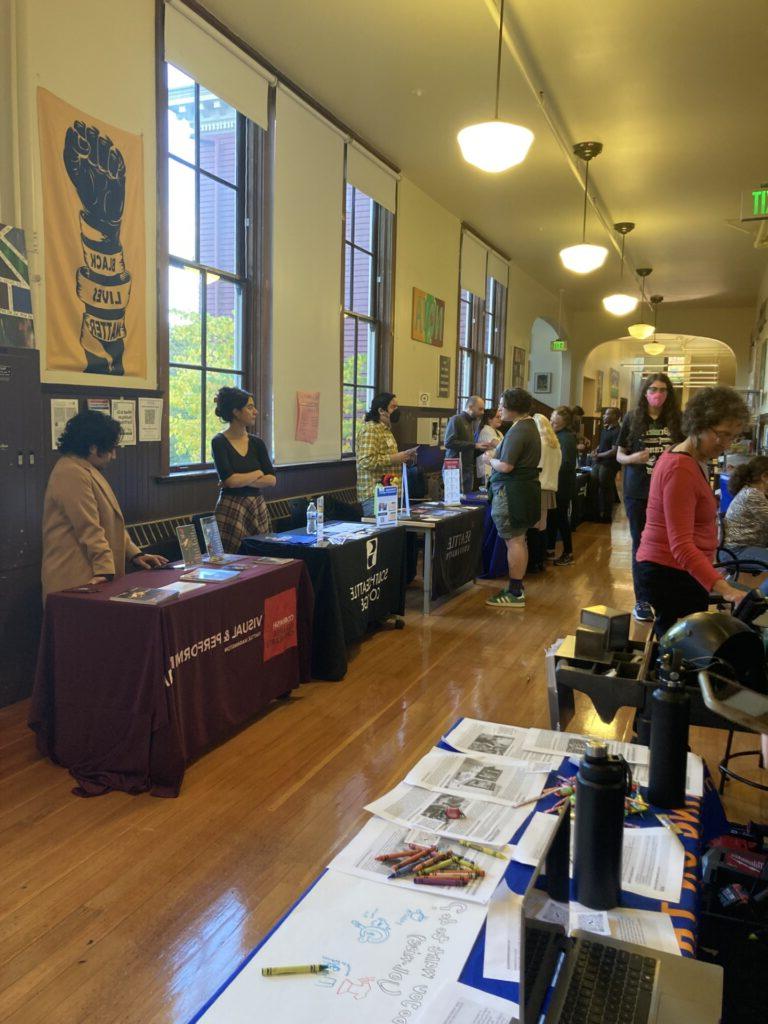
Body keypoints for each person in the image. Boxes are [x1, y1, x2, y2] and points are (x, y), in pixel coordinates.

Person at [635, 386, 748, 636]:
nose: (726, 443)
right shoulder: (680, 469)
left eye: (733, 437)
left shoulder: (689, 459)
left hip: (676, 570)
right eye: (721, 434)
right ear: (699, 424)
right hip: (669, 571)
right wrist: (726, 590)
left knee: (674, 651)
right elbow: (681, 545)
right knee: (679, 653)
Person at [41, 410, 166, 599]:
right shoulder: (70, 473)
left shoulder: (86, 469)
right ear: (93, 447)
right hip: (77, 577)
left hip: (92, 572)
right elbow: (89, 528)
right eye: (111, 448)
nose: (113, 455)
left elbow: (111, 524)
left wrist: (135, 554)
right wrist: (106, 571)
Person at [617, 373, 683, 622]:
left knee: (671, 542)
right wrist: (635, 458)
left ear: (669, 393)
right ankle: (642, 600)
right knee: (641, 544)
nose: (658, 393)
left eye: (663, 389)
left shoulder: (678, 419)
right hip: (639, 492)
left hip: (672, 491)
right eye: (653, 389)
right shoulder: (633, 418)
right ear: (645, 392)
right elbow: (620, 456)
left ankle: (665, 594)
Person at [485, 388, 541, 609]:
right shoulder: (526, 425)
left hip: (512, 492)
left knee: (514, 540)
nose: (498, 409)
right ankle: (517, 587)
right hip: (522, 490)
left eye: (502, 405)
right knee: (520, 539)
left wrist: (490, 460)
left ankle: (515, 592)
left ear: (513, 407)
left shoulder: (519, 430)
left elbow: (506, 466)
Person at [211, 387, 277, 552]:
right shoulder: (219, 441)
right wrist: (257, 473)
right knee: (229, 558)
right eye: (249, 407)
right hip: (231, 507)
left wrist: (240, 480)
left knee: (261, 557)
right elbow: (231, 481)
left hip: (256, 505)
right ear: (236, 412)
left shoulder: (257, 443)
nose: (255, 411)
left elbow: (272, 480)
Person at [355, 392, 417, 515]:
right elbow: (365, 461)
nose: (397, 410)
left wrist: (404, 456)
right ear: (381, 410)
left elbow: (387, 456)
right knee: (381, 533)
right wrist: (395, 458)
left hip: (389, 492)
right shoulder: (370, 430)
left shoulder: (385, 430)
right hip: (375, 494)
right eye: (393, 407)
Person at [527, 412, 562, 573]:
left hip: (537, 487)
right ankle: (541, 560)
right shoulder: (555, 444)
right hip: (550, 488)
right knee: (543, 525)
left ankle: (533, 562)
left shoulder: (538, 443)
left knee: (533, 526)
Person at [723, 456, 768, 572]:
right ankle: (758, 591)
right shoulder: (753, 494)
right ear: (764, 476)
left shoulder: (750, 491)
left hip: (739, 548)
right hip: (737, 551)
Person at [546, 406, 578, 565]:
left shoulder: (565, 438)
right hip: (556, 484)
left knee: (561, 519)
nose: (552, 425)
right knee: (552, 518)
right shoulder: (558, 435)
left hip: (562, 485)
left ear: (564, 424)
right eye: (551, 421)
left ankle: (568, 552)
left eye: (556, 423)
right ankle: (550, 549)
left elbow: (565, 464)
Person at [445, 395, 495, 494]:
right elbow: (449, 442)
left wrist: (481, 447)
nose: (482, 412)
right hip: (455, 468)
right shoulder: (456, 419)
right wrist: (474, 445)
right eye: (480, 409)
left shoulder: (471, 423)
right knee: (457, 501)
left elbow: (469, 446)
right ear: (471, 407)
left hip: (467, 469)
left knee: (466, 499)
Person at [593, 407, 621, 522]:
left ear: (615, 417)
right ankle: (595, 513)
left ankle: (607, 516)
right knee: (594, 485)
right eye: (604, 414)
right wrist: (596, 450)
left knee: (606, 488)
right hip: (599, 462)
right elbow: (602, 444)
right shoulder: (605, 429)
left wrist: (599, 455)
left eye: (607, 414)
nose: (604, 416)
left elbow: (614, 451)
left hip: (609, 464)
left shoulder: (618, 431)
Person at [475, 408, 504, 487]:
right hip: (487, 468)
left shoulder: (499, 432)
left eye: (500, 417)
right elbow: (497, 444)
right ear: (489, 419)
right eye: (497, 417)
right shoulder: (486, 429)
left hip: (495, 466)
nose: (500, 419)